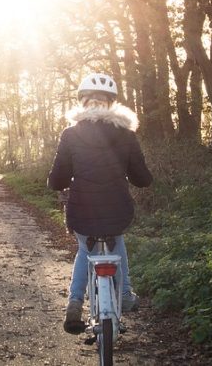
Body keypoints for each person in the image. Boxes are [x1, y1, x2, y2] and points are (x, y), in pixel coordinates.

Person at [47, 73, 153, 334]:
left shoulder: (70, 134)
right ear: (111, 104)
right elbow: (142, 179)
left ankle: (74, 303)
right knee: (117, 240)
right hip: (118, 208)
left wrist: (57, 183)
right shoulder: (126, 134)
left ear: (83, 103)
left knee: (85, 249)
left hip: (81, 209)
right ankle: (125, 293)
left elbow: (57, 178)